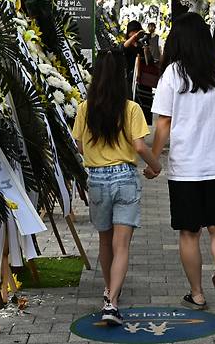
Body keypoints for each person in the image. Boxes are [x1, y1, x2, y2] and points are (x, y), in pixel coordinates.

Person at [145, 12, 215, 316]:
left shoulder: (173, 74)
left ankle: (196, 294)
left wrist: (154, 160)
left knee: (189, 232)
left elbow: (164, 124)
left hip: (186, 169)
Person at [72, 50, 162, 325]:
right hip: (124, 178)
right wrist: (155, 166)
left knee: (104, 242)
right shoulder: (131, 108)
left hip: (97, 178)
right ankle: (112, 301)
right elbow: (138, 146)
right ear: (122, 77)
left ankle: (107, 291)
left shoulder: (85, 108)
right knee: (121, 245)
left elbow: (79, 145)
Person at [122, 20, 145, 98]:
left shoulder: (140, 45)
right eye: (133, 31)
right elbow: (123, 47)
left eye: (137, 31)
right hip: (129, 75)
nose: (135, 33)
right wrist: (134, 36)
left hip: (140, 76)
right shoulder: (126, 44)